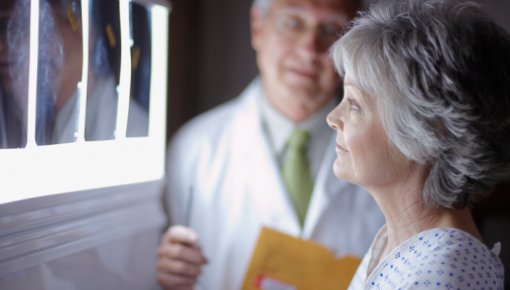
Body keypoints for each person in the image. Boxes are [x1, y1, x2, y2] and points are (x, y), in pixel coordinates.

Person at [157, 0, 385, 289]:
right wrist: (167, 274)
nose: (308, 49)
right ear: (258, 28)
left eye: (330, 29)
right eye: (293, 23)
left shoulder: (386, 156)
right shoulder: (194, 150)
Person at [326, 0, 510, 288]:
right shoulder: (400, 241)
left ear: (430, 130)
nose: (332, 118)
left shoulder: (441, 275)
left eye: (354, 105)